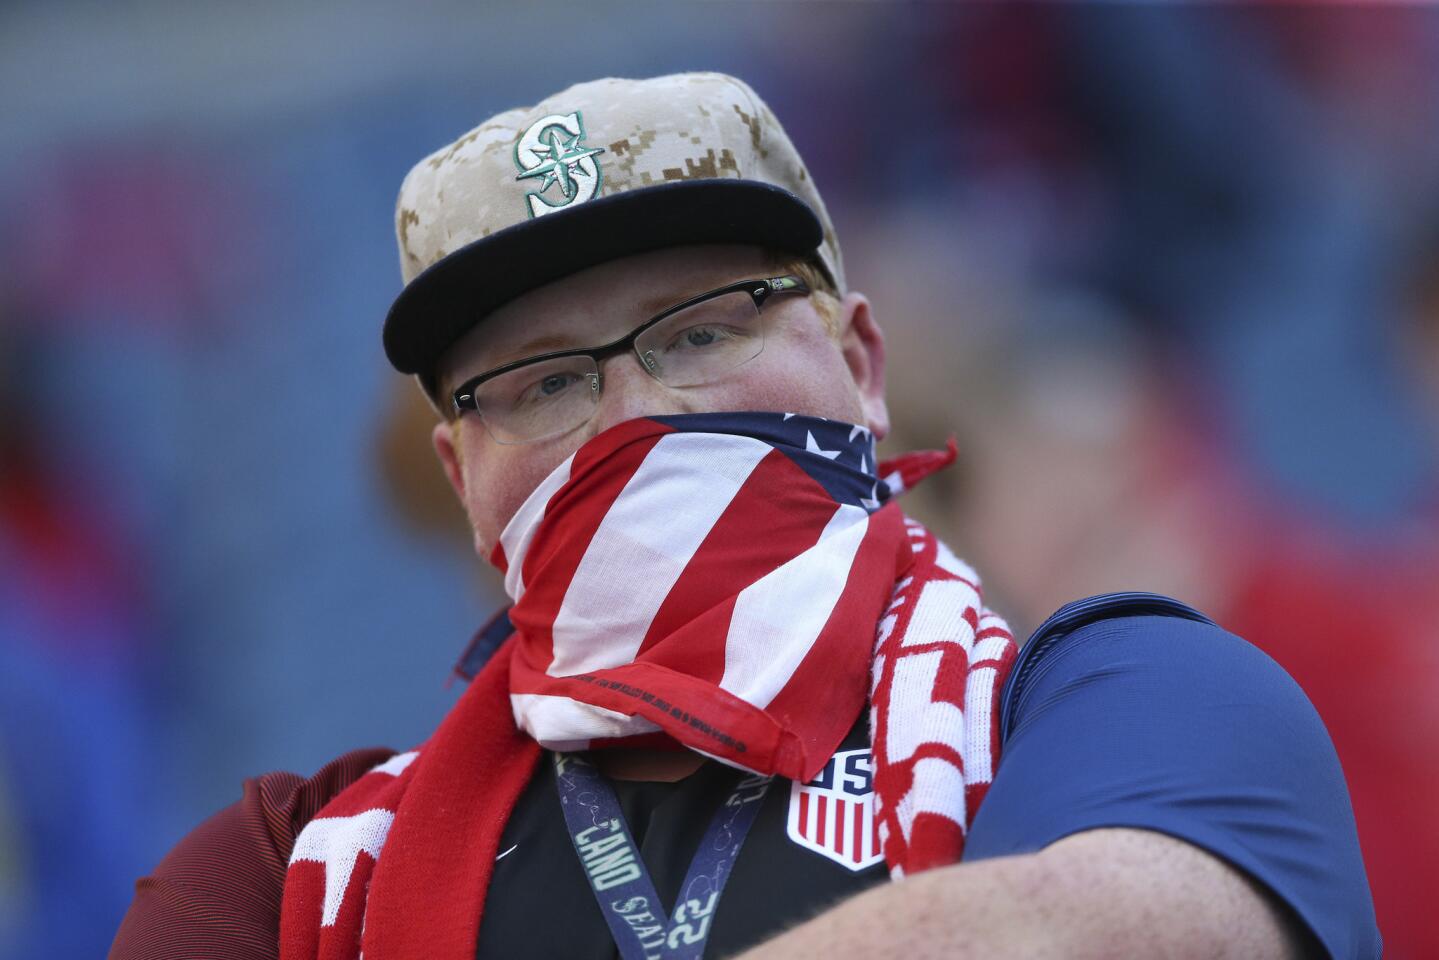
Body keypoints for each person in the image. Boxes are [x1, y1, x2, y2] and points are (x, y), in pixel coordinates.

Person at [111, 73, 1380, 960]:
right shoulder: (286, 876)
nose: (630, 418)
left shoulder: (1132, 700)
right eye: (544, 380)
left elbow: (1088, 932)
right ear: (461, 476)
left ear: (863, 366)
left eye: (704, 328)